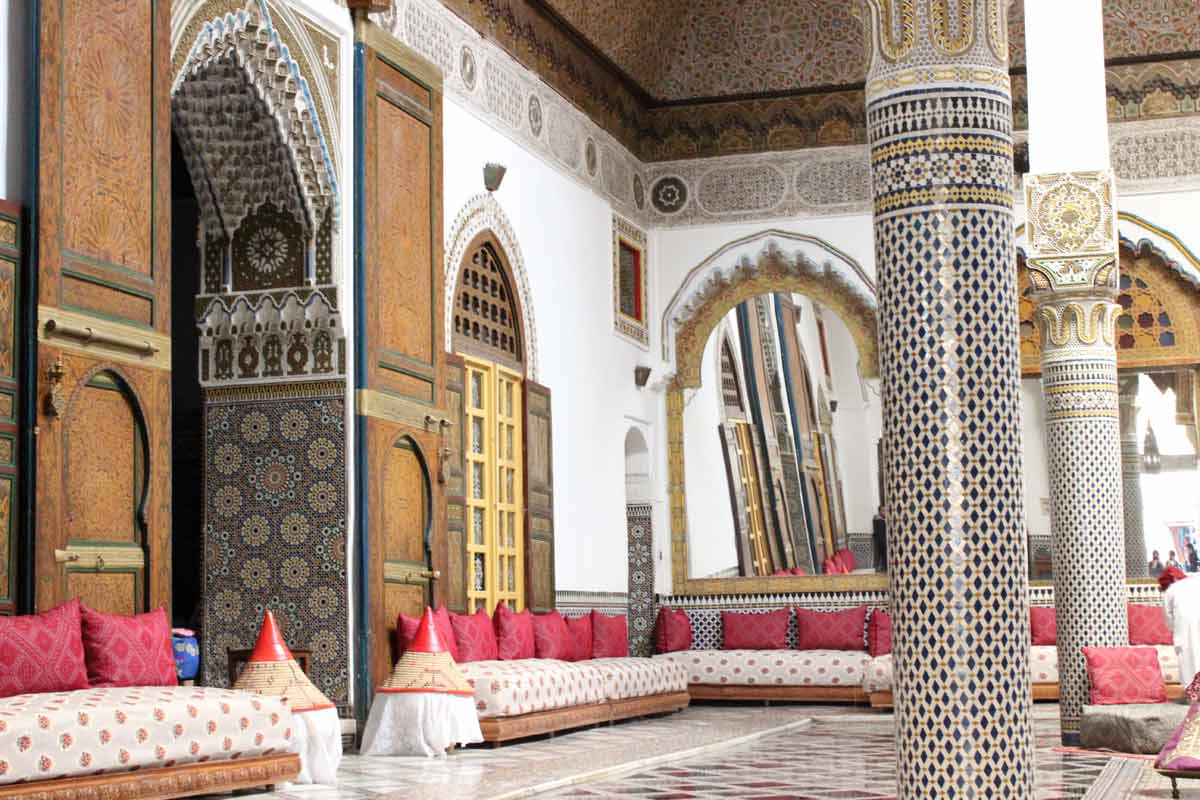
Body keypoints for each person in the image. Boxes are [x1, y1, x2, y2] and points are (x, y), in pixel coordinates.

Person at [1161, 565, 1200, 693]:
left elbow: (1168, 615)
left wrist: (1173, 630)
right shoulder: (1195, 580)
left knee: (1186, 658)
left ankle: (1192, 693)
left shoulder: (1171, 590)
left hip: (1183, 625)